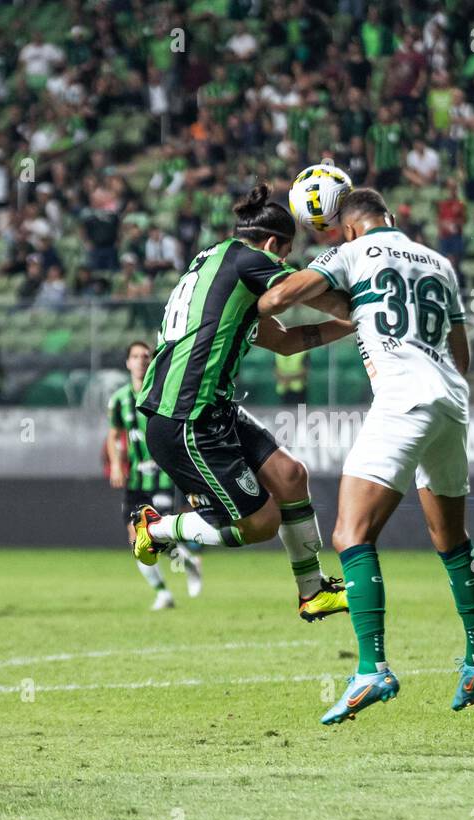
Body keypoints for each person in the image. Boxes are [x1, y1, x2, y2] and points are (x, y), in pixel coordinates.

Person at [259, 188, 474, 723]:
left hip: (402, 398)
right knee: (451, 538)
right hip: (450, 401)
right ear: (389, 218)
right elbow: (461, 355)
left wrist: (287, 278)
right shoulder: (439, 262)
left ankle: (372, 668)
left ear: (348, 228)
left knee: (351, 534)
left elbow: (276, 301)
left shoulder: (352, 253)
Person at [130, 184, 354, 624]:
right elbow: (296, 293)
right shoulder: (248, 260)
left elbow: (288, 342)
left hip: (212, 409)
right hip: (185, 418)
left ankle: (313, 593)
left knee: (290, 475)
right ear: (273, 246)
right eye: (284, 257)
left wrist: (351, 324)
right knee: (260, 524)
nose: (283, 265)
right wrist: (357, 296)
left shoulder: (220, 267)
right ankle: (155, 529)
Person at [106, 341, 202, 610]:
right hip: (136, 479)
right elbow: (113, 435)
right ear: (127, 363)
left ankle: (187, 563)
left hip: (163, 476)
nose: (140, 361)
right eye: (135, 356)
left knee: (156, 532)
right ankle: (164, 592)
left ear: (151, 362)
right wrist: (115, 464)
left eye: (145, 356)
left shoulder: (163, 394)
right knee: (137, 540)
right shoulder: (119, 400)